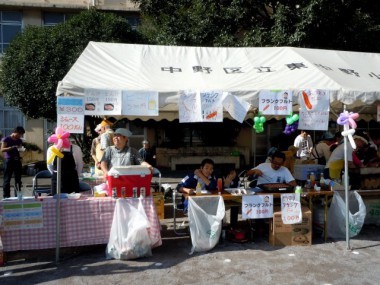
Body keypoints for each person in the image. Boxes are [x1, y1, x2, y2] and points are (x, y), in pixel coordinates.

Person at [1, 126, 25, 198]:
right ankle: (6, 196)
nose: (20, 136)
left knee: (18, 179)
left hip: (17, 160)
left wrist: (21, 150)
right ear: (16, 132)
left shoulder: (19, 140)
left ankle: (18, 195)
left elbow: (20, 149)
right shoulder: (6, 139)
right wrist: (11, 148)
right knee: (7, 178)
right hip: (9, 160)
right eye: (20, 134)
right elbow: (2, 149)